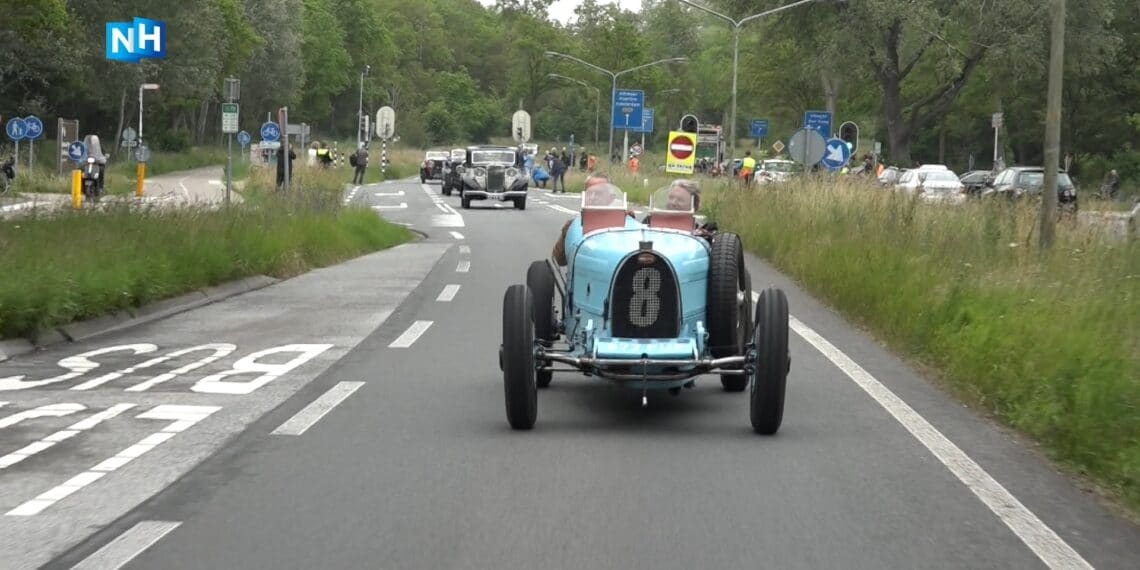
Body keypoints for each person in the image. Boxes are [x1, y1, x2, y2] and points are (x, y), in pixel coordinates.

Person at [551, 174, 639, 266]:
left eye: (598, 193)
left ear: (611, 197)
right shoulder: (575, 225)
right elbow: (559, 260)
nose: (592, 197)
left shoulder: (626, 222)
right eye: (589, 193)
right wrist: (567, 233)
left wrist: (627, 219)